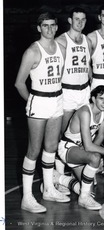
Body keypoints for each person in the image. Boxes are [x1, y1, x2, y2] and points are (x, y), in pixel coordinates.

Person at [15, 12, 70, 213]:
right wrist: (32, 101)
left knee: (51, 148)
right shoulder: (32, 51)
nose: (49, 29)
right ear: (39, 28)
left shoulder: (62, 49)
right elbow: (19, 83)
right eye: (45, 25)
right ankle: (27, 198)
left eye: (52, 25)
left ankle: (48, 189)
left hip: (57, 99)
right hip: (38, 101)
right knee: (34, 150)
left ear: (57, 27)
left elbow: (59, 77)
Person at [57, 85, 104, 210]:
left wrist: (89, 152)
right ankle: (83, 199)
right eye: (101, 99)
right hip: (68, 148)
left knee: (88, 189)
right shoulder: (85, 112)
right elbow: (88, 145)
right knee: (95, 157)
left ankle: (60, 179)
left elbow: (101, 135)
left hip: (81, 150)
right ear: (93, 98)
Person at [54, 7, 92, 188]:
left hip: (84, 91)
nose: (80, 22)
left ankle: (79, 164)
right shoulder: (61, 41)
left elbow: (88, 66)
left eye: (83, 19)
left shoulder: (87, 40)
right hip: (67, 92)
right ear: (69, 20)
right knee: (63, 135)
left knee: (84, 132)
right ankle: (60, 178)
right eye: (77, 19)